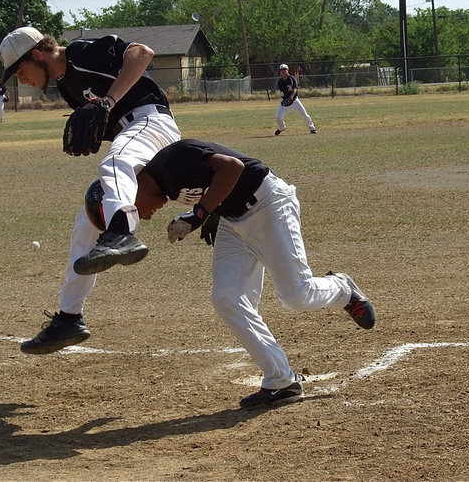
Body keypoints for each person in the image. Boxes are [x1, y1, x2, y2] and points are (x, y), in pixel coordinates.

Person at [131, 138, 376, 409]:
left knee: (297, 295)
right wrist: (210, 210)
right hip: (233, 222)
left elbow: (232, 168)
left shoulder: (172, 159)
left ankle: (342, 289)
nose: (143, 217)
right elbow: (211, 182)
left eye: (132, 209)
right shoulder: (164, 184)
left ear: (136, 186)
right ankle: (281, 382)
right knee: (227, 297)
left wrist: (200, 214)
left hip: (269, 205)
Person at [0, 26, 181, 354]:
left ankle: (122, 232)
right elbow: (102, 121)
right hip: (134, 136)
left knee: (115, 162)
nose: (20, 80)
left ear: (37, 55)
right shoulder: (66, 86)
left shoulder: (80, 54)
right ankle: (69, 317)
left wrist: (108, 101)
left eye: (20, 71)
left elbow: (142, 53)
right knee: (87, 222)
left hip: (151, 123)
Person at [274, 63, 316, 135]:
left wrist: (291, 97)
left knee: (304, 114)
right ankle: (281, 128)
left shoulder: (291, 79)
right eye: (281, 70)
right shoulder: (280, 81)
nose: (283, 71)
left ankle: (312, 128)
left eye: (284, 69)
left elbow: (295, 89)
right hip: (285, 101)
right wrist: (284, 100)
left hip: (294, 100)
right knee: (278, 117)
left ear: (287, 70)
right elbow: (282, 92)